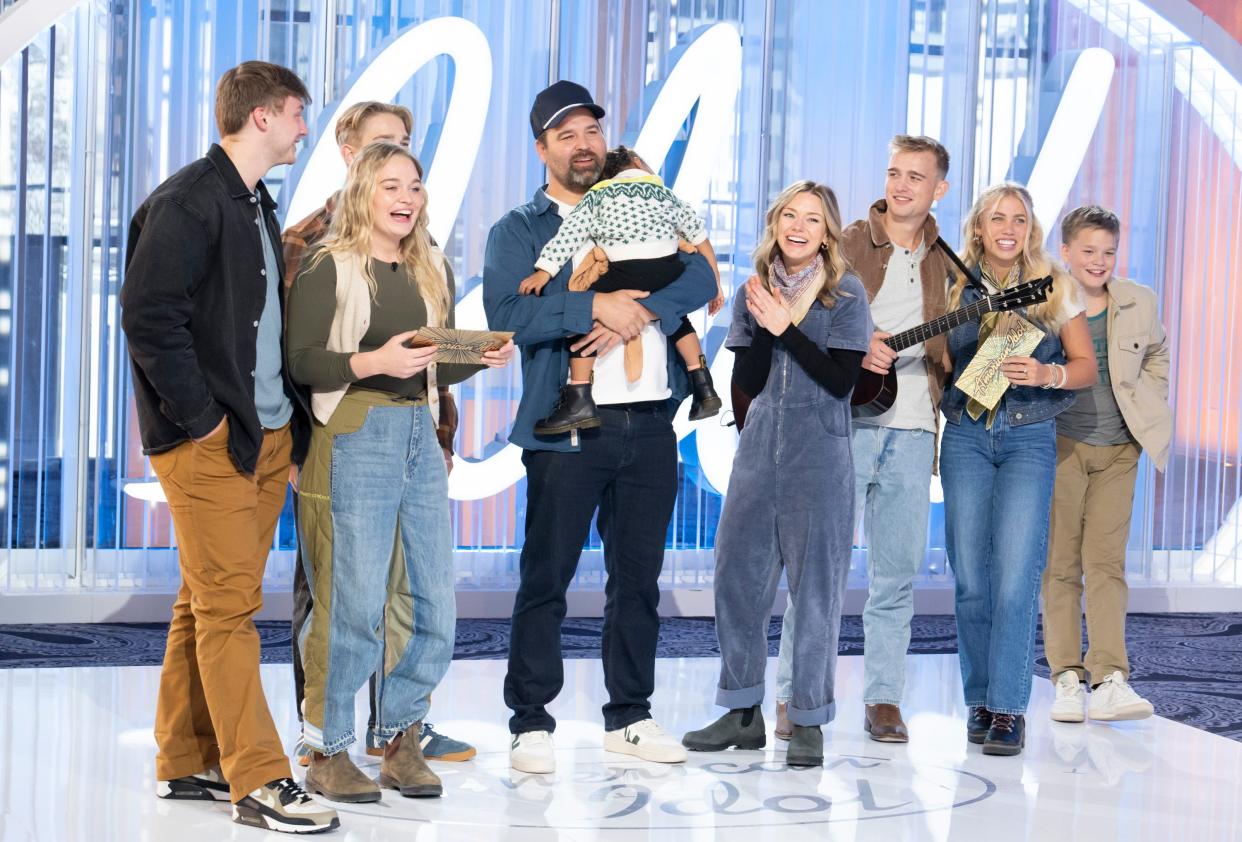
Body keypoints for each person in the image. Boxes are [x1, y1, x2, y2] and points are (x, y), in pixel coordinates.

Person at [120, 61, 338, 833]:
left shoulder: (253, 204)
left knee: (202, 597)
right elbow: (148, 318)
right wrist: (203, 420)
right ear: (265, 117)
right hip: (211, 441)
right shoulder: (188, 203)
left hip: (265, 437)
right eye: (298, 114)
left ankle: (185, 757)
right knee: (229, 609)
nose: (305, 129)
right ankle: (261, 780)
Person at [483, 80, 716, 774]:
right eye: (566, 135)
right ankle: (531, 720)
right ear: (542, 150)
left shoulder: (644, 206)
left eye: (591, 132)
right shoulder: (519, 231)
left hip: (650, 426)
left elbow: (703, 280)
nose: (583, 145)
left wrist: (636, 310)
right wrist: (591, 306)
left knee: (638, 580)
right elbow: (508, 315)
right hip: (568, 428)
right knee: (546, 576)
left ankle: (631, 715)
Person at [287, 141, 514, 802]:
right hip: (354, 431)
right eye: (391, 185)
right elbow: (302, 362)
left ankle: (399, 736)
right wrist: (373, 360)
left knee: (429, 599)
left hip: (418, 434)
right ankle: (327, 750)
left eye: (414, 186)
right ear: (364, 191)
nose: (407, 198)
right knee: (351, 602)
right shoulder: (329, 265)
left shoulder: (429, 266)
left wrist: (481, 356)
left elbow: (431, 360)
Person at [682, 181, 873, 768]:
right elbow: (750, 381)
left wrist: (786, 325)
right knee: (736, 578)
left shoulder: (847, 296)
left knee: (816, 591)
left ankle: (809, 719)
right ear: (775, 223)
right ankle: (742, 713)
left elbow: (842, 383)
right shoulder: (754, 290)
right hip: (760, 448)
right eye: (790, 215)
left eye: (811, 219)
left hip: (822, 453)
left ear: (826, 232)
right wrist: (766, 325)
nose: (798, 226)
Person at [772, 136, 955, 743]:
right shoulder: (846, 240)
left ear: (939, 190)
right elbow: (795, 314)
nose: (901, 186)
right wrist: (860, 338)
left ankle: (883, 699)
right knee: (817, 569)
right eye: (894, 173)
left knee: (896, 573)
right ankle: (794, 692)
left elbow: (957, 350)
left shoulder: (949, 263)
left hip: (912, 428)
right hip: (842, 424)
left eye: (916, 177)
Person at [939, 182, 1096, 756]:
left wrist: (1046, 374)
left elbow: (1084, 368)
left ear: (1030, 229)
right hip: (965, 437)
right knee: (972, 581)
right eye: (997, 218)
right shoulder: (951, 283)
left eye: (1020, 220)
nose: (1008, 228)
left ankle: (1008, 708)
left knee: (1013, 577)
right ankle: (978, 700)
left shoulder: (1056, 287)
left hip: (1028, 437)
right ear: (979, 226)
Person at [1043, 205, 1171, 723]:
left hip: (1120, 450)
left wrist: (1150, 400)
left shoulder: (1140, 301)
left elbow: (1157, 354)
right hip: (1060, 447)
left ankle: (1110, 676)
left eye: (1109, 252)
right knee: (1061, 565)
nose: (1099, 262)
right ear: (1067, 252)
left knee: (1106, 563)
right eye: (1089, 251)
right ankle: (1066, 677)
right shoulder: (1046, 301)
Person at [518, 144, 723, 432]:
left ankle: (578, 397)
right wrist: (717, 284)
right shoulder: (666, 196)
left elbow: (568, 235)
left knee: (583, 310)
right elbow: (700, 238)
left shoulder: (599, 196)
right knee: (675, 316)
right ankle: (702, 383)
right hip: (665, 267)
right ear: (638, 162)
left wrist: (544, 271)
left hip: (626, 272)